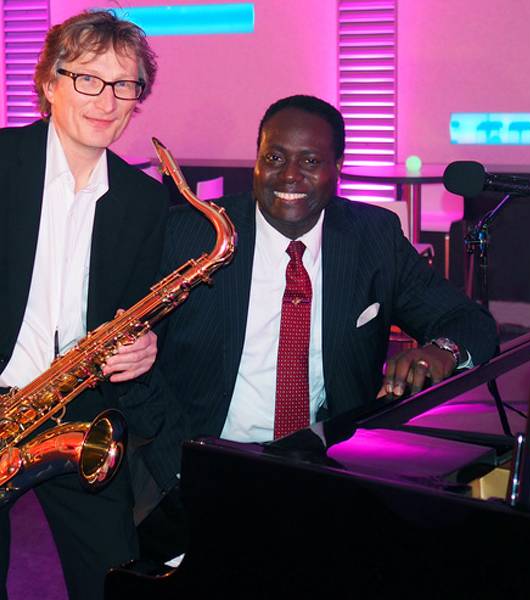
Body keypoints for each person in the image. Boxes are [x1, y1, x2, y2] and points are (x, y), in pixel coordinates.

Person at [122, 94, 498, 560]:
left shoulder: (373, 236)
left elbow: (470, 322)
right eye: (275, 158)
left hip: (327, 474)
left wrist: (440, 349)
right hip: (199, 467)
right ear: (256, 160)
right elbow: (133, 365)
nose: (289, 176)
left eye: (310, 161)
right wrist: (178, 469)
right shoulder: (191, 233)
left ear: (337, 168)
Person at [0, 10, 169, 600]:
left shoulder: (145, 201)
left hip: (78, 411)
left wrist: (145, 346)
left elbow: (137, 311)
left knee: (112, 578)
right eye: (89, 79)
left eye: (125, 85)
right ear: (50, 83)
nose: (107, 100)